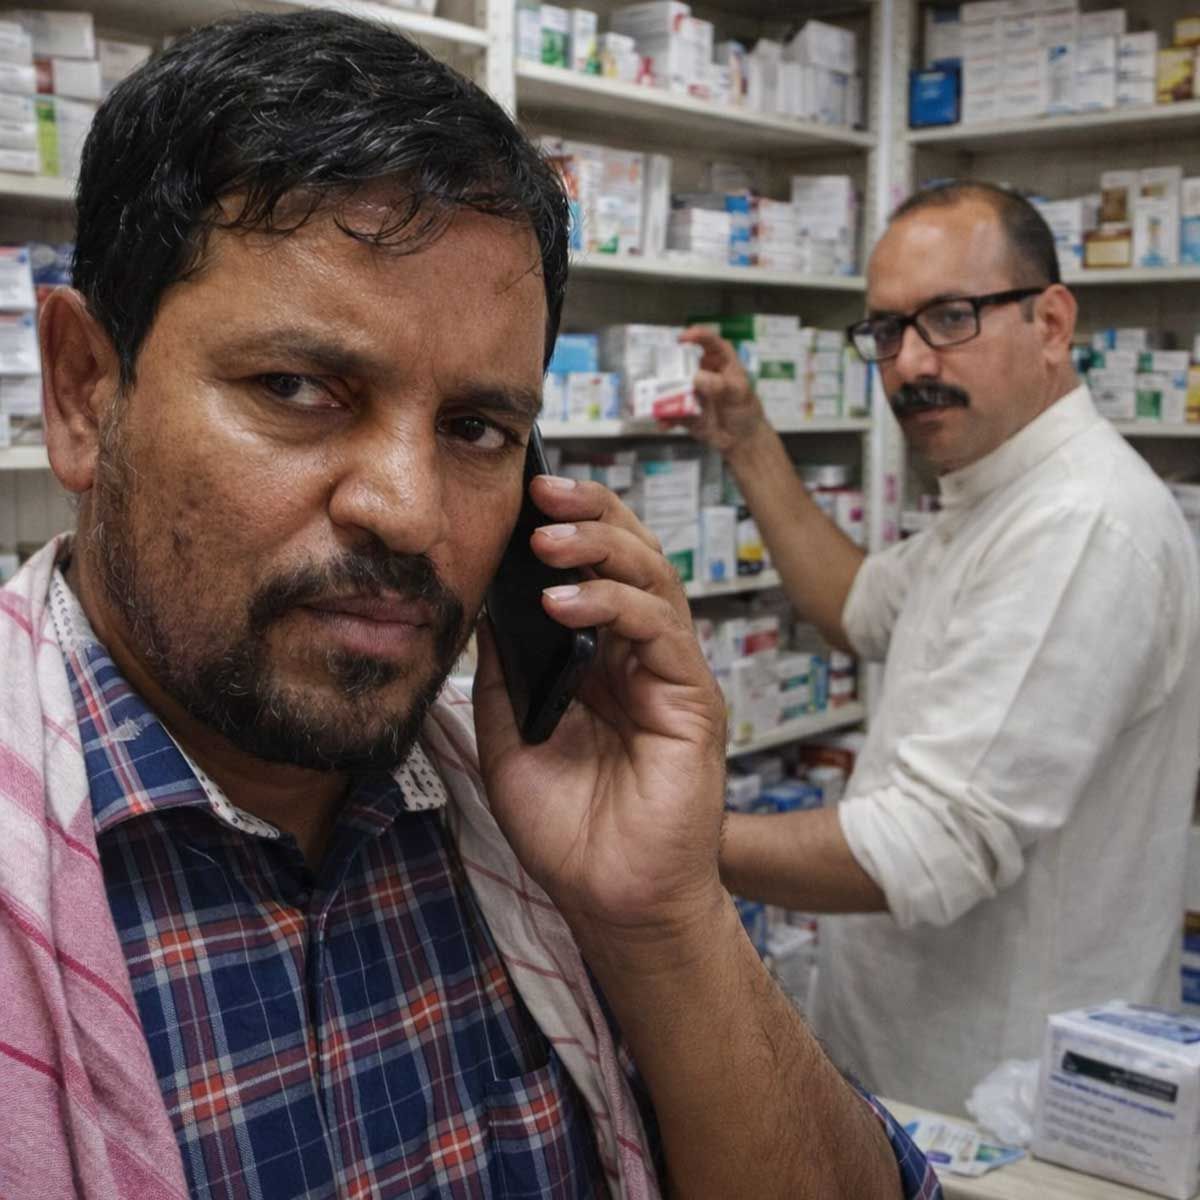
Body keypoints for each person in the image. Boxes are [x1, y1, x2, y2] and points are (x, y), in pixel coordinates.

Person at [0, 12, 940, 1199]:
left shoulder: (528, 832)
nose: (409, 512)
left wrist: (663, 921)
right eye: (297, 387)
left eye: (478, 429)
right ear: (84, 392)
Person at [681, 181, 1200, 1115]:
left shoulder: (1081, 525)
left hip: (997, 1099)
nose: (911, 363)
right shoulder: (999, 497)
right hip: (916, 1073)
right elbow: (857, 608)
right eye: (887, 331)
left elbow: (930, 845)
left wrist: (663, 841)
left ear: (1051, 323)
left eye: (951, 318)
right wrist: (749, 440)